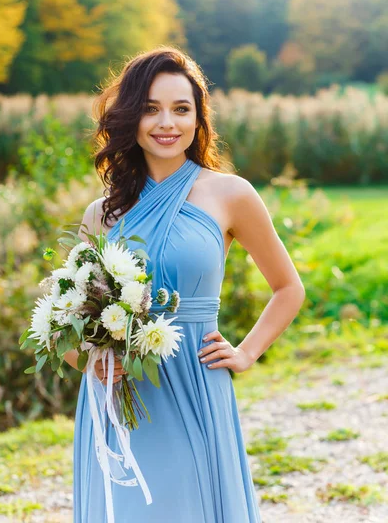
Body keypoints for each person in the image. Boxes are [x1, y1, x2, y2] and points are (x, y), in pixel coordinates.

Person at [64, 46, 305, 522]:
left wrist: (247, 353)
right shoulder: (103, 213)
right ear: (130, 117)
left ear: (199, 118)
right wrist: (91, 360)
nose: (166, 122)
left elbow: (288, 287)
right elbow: (70, 322)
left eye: (181, 108)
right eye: (150, 108)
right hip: (123, 396)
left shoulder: (230, 194)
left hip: (196, 380)